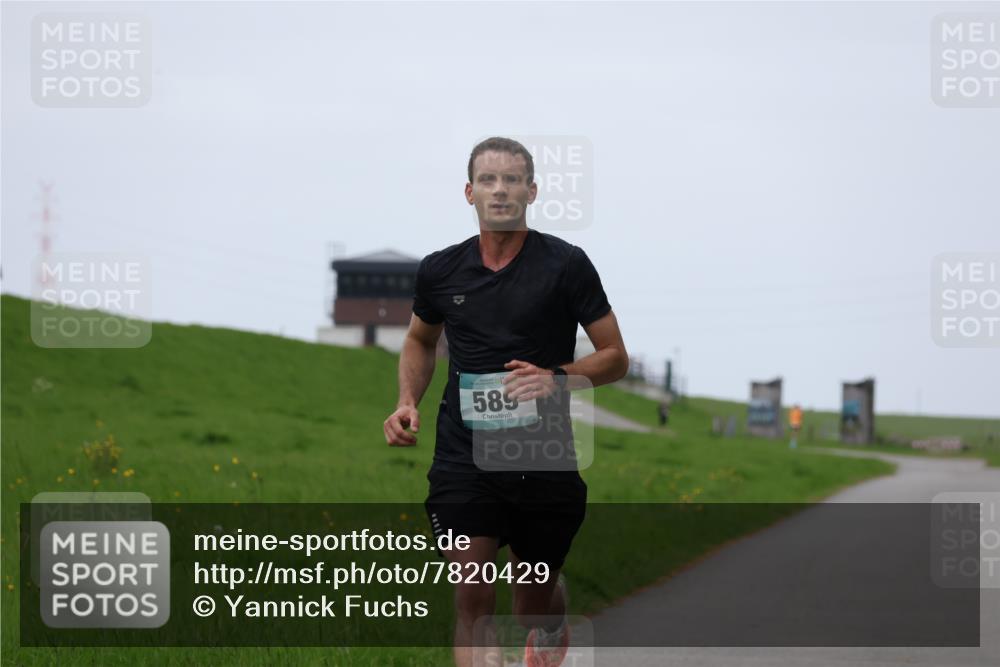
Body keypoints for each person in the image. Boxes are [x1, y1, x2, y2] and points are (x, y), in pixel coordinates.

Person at [383, 137, 629, 667]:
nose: (500, 190)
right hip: (462, 453)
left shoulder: (566, 265)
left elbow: (615, 357)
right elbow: (420, 340)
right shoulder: (440, 271)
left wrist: (555, 377)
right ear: (469, 192)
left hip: (541, 452)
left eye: (513, 179)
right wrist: (407, 400)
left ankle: (549, 626)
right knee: (473, 596)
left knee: (530, 605)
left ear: (532, 191)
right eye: (489, 180)